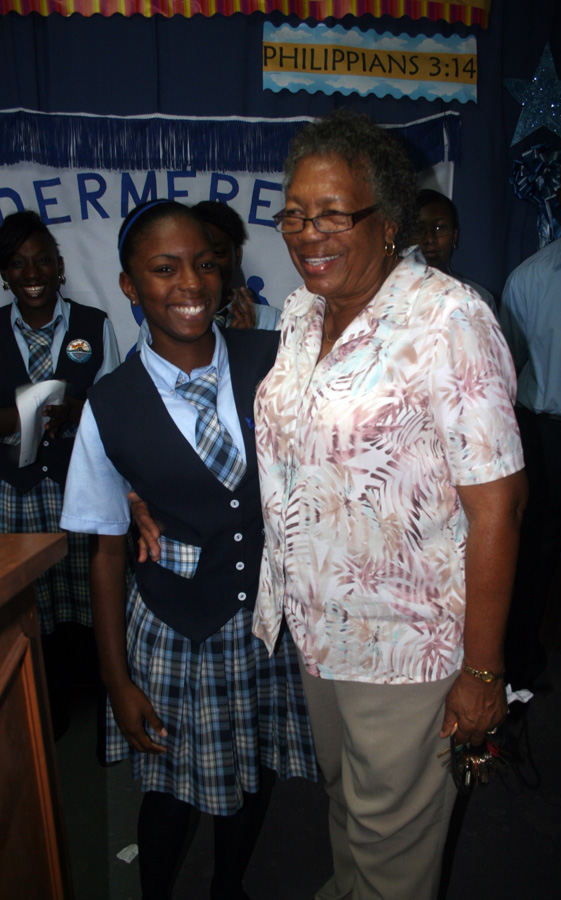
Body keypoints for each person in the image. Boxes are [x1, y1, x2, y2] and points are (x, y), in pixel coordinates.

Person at [252, 111, 527, 900]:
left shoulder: (448, 320)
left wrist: (482, 672)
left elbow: (500, 506)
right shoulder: (301, 313)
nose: (309, 233)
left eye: (334, 214)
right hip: (320, 627)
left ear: (390, 221)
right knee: (347, 805)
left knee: (392, 841)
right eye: (295, 214)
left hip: (408, 644)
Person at [60, 200, 316, 900]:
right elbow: (106, 553)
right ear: (129, 284)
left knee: (254, 770)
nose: (192, 284)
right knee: (171, 788)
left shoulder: (273, 361)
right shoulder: (111, 404)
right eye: (164, 269)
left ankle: (228, 886)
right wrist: (115, 681)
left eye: (205, 264)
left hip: (265, 618)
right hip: (177, 629)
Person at [0, 210, 119, 735]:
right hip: (16, 491)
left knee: (89, 596)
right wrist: (17, 417)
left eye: (42, 260)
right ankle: (46, 712)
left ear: (60, 266)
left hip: (79, 483)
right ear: (4, 274)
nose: (32, 273)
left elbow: (115, 406)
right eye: (17, 263)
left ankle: (102, 703)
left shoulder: (93, 324)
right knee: (32, 603)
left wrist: (76, 410)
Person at [500, 141, 561, 690]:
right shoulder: (532, 280)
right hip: (550, 439)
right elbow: (504, 371)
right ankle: (518, 669)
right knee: (532, 560)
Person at [135, 201, 279, 350]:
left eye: (218, 253)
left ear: (237, 254)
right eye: (199, 256)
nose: (210, 263)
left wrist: (250, 345)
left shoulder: (271, 321)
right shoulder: (157, 324)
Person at [413, 188, 498, 316]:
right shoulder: (389, 297)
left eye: (440, 228)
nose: (430, 239)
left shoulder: (478, 300)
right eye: (419, 229)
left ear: (454, 236)